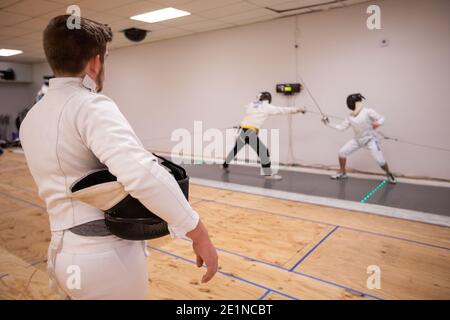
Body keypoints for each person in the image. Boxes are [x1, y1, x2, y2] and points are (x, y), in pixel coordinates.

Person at [19, 15, 218, 300]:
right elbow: (142, 174)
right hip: (104, 262)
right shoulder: (90, 106)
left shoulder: (32, 117)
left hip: (63, 256)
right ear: (95, 62)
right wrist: (198, 233)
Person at [222, 92, 305, 180]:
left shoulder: (252, 104)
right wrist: (299, 109)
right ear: (268, 99)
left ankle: (224, 165)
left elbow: (249, 110)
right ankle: (268, 174)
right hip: (250, 132)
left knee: (236, 149)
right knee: (263, 151)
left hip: (242, 130)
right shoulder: (267, 107)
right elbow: (283, 110)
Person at [322, 93, 396, 184]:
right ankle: (342, 172)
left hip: (370, 140)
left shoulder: (368, 111)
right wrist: (328, 123)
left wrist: (378, 123)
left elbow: (382, 118)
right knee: (341, 152)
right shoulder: (350, 116)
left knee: (380, 161)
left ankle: (389, 174)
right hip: (358, 140)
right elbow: (340, 128)